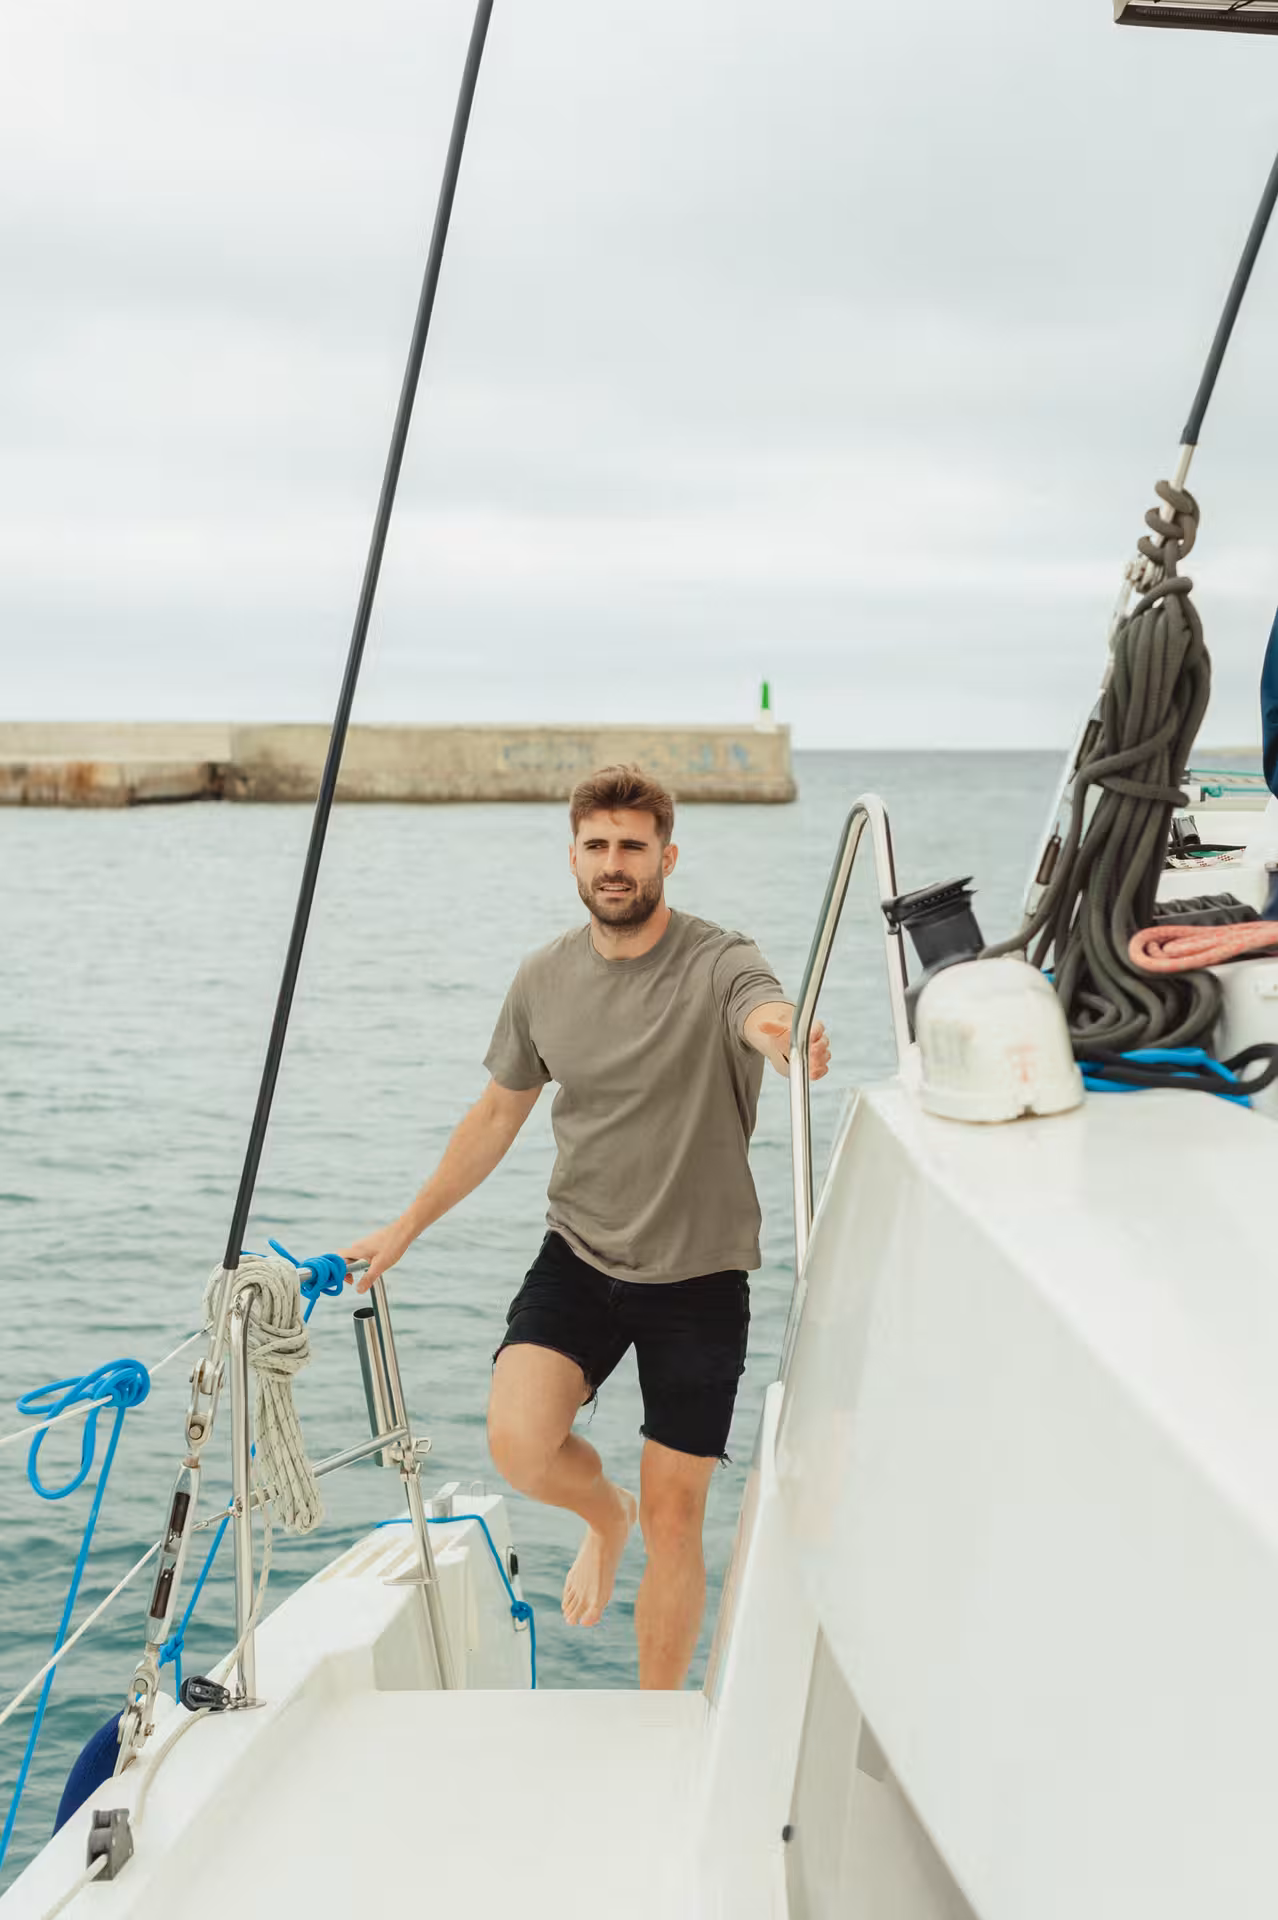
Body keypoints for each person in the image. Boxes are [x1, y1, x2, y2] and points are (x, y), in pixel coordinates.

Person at [340, 763, 829, 1689]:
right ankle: (605, 1517)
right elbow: (494, 1118)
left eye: (633, 848)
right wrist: (403, 1228)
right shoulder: (543, 978)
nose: (615, 864)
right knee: (520, 1444)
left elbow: (763, 1011)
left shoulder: (720, 957)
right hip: (582, 1256)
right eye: (597, 846)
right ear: (574, 856)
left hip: (700, 1278)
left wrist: (787, 1034)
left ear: (666, 857)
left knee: (678, 1517)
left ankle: (654, 1720)